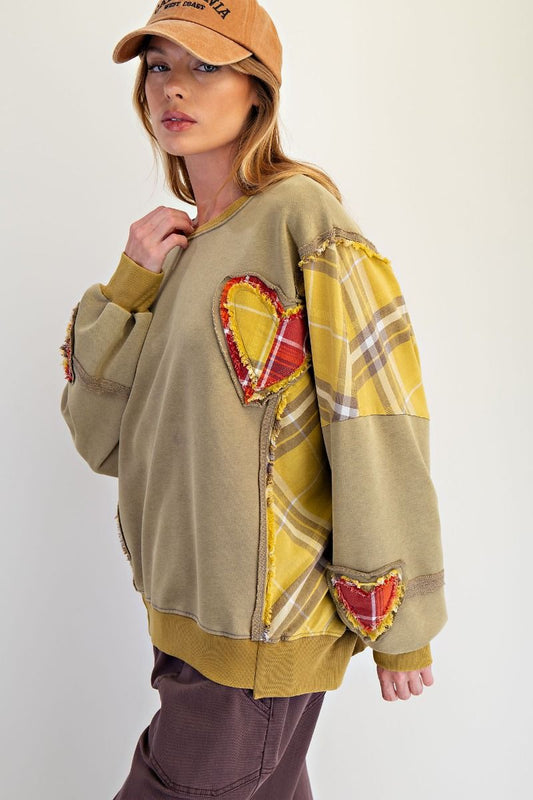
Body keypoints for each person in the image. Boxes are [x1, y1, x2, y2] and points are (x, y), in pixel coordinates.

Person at [59, 2, 447, 798]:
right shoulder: (179, 250)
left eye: (206, 66)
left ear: (258, 92)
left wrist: (401, 618)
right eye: (159, 66)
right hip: (186, 618)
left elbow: (374, 418)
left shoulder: (303, 221)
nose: (174, 88)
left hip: (260, 631)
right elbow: (104, 440)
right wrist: (130, 284)